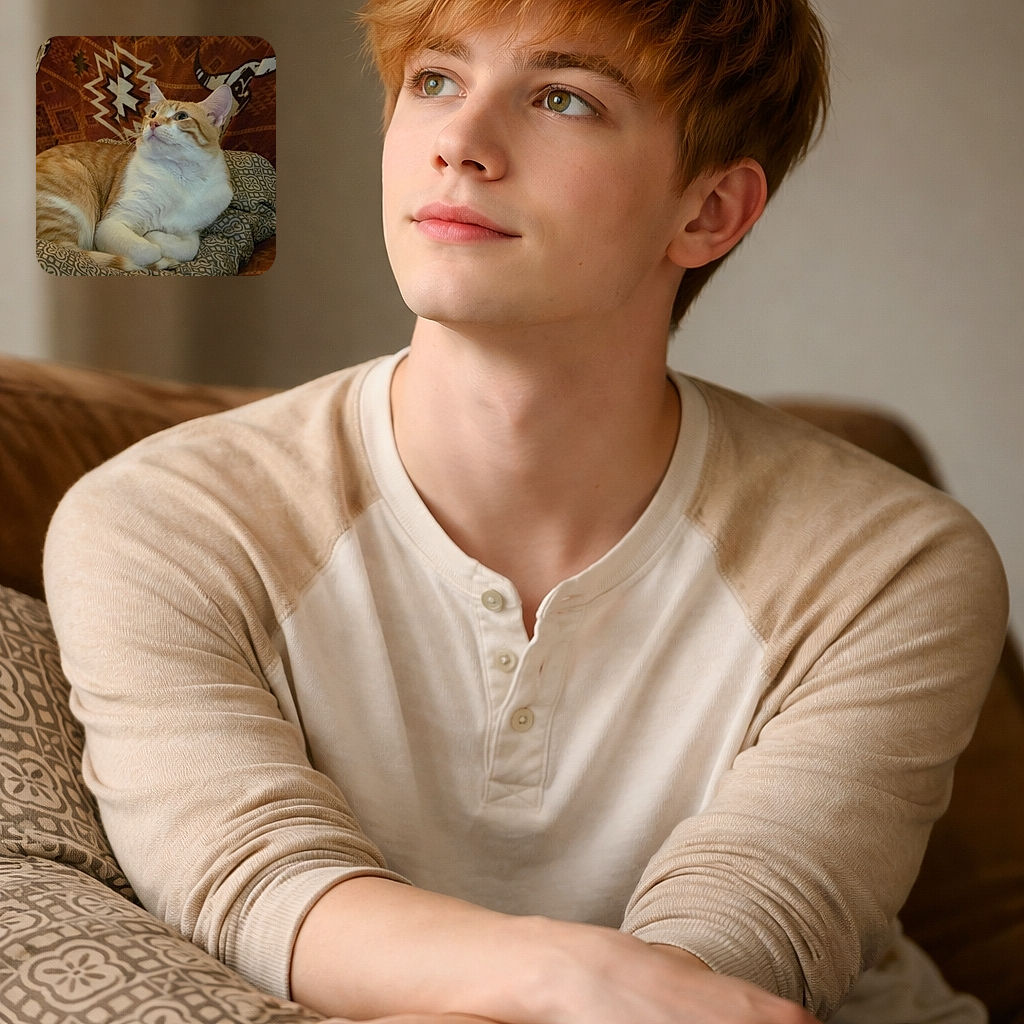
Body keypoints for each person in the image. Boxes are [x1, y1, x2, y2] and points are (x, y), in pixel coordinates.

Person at [43, 0, 1008, 1022]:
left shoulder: (891, 561)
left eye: (562, 98)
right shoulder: (160, 519)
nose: (459, 142)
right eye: (435, 82)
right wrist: (567, 977)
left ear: (709, 211)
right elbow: (257, 890)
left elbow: (740, 954)